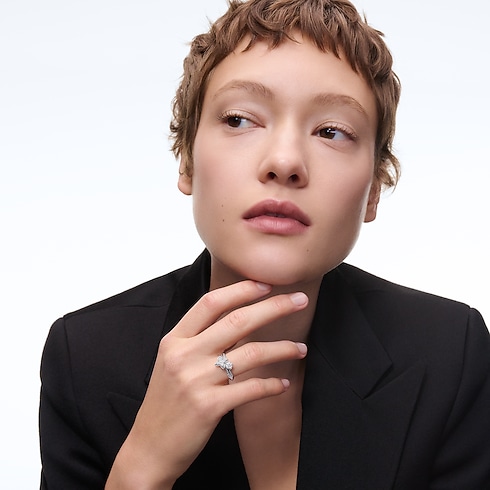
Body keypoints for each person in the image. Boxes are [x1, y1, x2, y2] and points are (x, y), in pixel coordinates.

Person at [39, 0, 490, 488]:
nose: (284, 161)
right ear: (186, 159)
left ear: (374, 190)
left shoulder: (450, 351)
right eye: (239, 119)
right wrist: (142, 463)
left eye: (332, 131)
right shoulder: (84, 358)